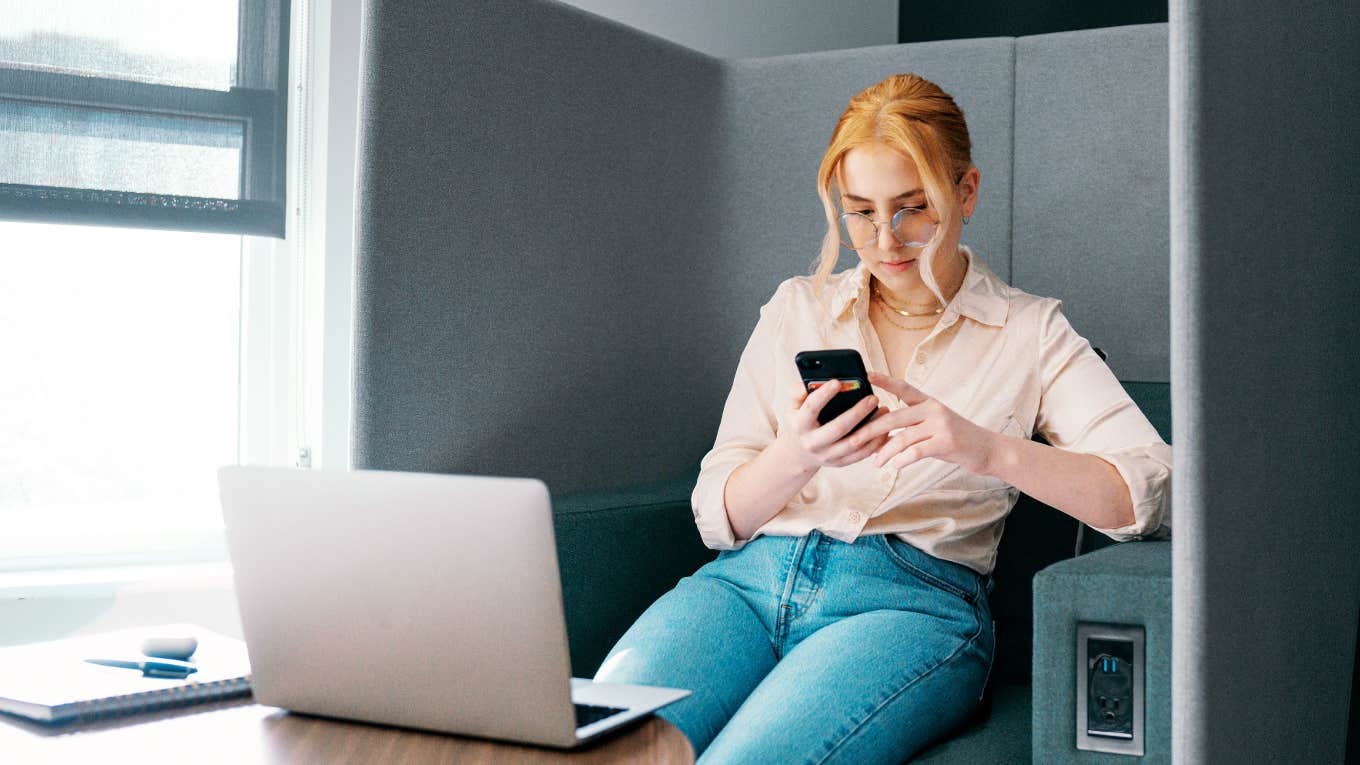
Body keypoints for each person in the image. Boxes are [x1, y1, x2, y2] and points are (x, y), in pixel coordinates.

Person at [592, 72, 1172, 764]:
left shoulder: (1031, 332)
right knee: (599, 747)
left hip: (910, 605)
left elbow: (1149, 489)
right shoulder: (796, 311)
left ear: (967, 192)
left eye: (913, 206)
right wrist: (797, 455)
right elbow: (718, 516)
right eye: (859, 211)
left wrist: (985, 449)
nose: (885, 239)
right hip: (743, 584)